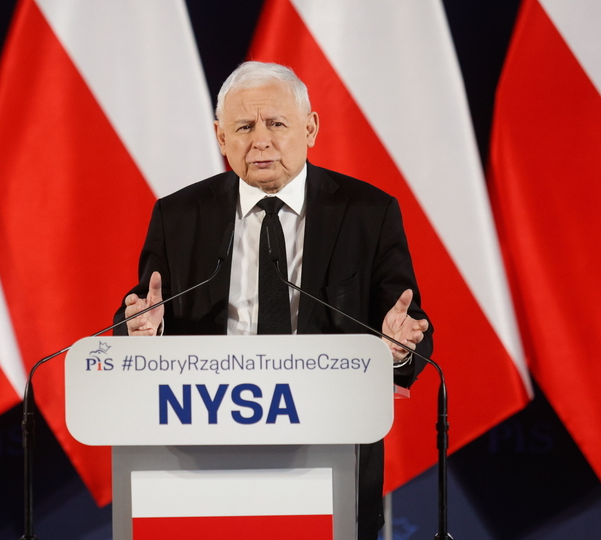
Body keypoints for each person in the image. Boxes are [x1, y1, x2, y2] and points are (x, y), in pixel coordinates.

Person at [114, 61, 432, 539]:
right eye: (244, 127)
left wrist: (397, 348)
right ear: (221, 137)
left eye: (276, 123)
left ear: (311, 129)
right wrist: (140, 331)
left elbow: (409, 328)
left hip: (331, 457)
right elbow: (142, 314)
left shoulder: (368, 212)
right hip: (202, 461)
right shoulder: (179, 215)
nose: (260, 141)